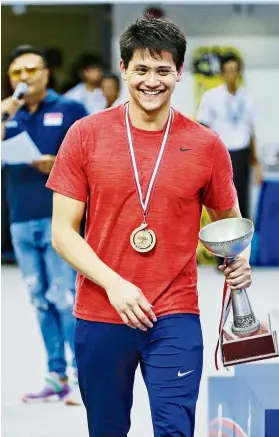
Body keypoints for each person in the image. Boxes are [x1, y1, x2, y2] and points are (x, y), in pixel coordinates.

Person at [46, 18, 253, 437]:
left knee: (175, 429)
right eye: (141, 69)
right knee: (106, 429)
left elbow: (229, 225)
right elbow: (63, 232)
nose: (151, 81)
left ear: (179, 72)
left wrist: (239, 259)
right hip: (102, 310)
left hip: (174, 313)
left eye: (162, 70)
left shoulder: (205, 144)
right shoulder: (85, 135)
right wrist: (115, 284)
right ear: (123, 70)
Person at [1, 45, 88, 405]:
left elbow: (92, 159)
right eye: (17, 73)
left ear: (47, 73)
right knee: (39, 299)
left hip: (61, 218)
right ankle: (56, 376)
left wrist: (59, 163)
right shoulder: (10, 114)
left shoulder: (70, 109)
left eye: (31, 69)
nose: (25, 77)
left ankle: (84, 376)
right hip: (21, 218)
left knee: (65, 297)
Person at [196, 54, 263, 220]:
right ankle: (224, 237)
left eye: (234, 71)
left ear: (239, 72)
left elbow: (251, 130)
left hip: (242, 152)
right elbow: (203, 127)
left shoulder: (247, 97)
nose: (231, 75)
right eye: (228, 71)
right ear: (222, 74)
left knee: (242, 199)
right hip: (221, 153)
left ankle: (244, 241)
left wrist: (256, 163)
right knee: (221, 198)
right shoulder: (211, 97)